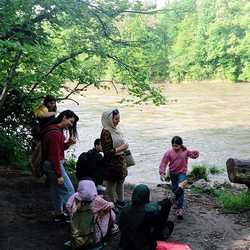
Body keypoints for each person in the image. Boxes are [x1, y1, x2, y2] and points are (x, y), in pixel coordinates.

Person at [42, 109, 79, 222]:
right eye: (71, 121)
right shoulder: (55, 133)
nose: (71, 125)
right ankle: (75, 216)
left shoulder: (55, 129)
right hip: (54, 165)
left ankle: (58, 213)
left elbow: (58, 149)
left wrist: (68, 143)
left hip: (50, 164)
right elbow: (55, 156)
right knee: (69, 190)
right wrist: (59, 175)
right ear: (64, 117)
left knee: (56, 190)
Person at [119, 184, 177, 250]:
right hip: (143, 246)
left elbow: (121, 225)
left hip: (125, 244)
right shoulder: (150, 212)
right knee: (164, 225)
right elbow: (158, 225)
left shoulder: (125, 209)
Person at [66, 180, 116, 249]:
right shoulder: (97, 199)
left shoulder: (74, 197)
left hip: (76, 229)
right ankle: (111, 229)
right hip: (92, 233)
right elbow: (111, 205)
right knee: (109, 211)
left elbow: (68, 206)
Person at [159, 136, 199, 219]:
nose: (175, 147)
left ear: (181, 145)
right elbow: (164, 163)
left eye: (176, 146)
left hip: (182, 173)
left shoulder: (185, 151)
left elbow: (193, 155)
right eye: (173, 145)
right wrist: (162, 173)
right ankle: (176, 202)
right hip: (173, 173)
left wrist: (196, 153)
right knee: (174, 189)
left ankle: (180, 208)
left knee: (180, 189)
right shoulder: (169, 153)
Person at [100, 109, 129, 205]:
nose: (118, 121)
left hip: (120, 163)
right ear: (109, 120)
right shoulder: (106, 132)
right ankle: (113, 205)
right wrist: (121, 148)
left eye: (119, 119)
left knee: (120, 182)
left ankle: (120, 202)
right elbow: (107, 152)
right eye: (116, 119)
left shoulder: (116, 130)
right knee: (111, 186)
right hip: (111, 165)